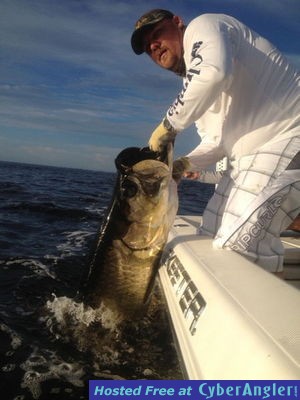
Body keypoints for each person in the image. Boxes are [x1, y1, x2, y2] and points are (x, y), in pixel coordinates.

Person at [131, 9, 300, 273]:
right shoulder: (194, 89)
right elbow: (215, 143)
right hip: (244, 160)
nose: (153, 46)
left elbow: (214, 73)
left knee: (237, 249)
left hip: (289, 135)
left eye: (157, 34)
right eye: (147, 48)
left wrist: (167, 126)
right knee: (208, 236)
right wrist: (181, 164)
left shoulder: (205, 25)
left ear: (177, 23)